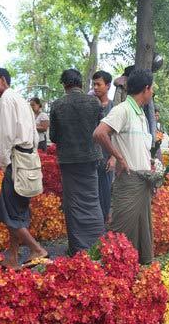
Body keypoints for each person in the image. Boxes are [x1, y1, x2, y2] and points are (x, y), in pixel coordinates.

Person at [0, 68, 47, 269]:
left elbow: (6, 136)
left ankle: (36, 249)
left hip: (16, 162)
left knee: (9, 212)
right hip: (29, 160)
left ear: (2, 80)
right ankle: (12, 257)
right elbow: (35, 137)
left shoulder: (6, 100)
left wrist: (4, 162)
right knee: (18, 211)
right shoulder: (21, 100)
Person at [93, 69, 154, 264]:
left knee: (140, 229)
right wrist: (118, 156)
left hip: (142, 180)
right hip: (129, 180)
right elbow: (99, 133)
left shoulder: (141, 114)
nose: (152, 92)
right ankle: (109, 269)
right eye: (151, 89)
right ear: (146, 89)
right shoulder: (123, 110)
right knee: (120, 230)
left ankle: (133, 269)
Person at [50, 69, 104, 255]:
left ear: (64, 84)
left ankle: (78, 248)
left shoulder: (57, 105)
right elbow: (100, 131)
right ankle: (96, 246)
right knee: (91, 200)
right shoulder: (94, 103)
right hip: (90, 159)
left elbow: (53, 136)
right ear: (81, 84)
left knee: (73, 203)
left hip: (69, 161)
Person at [92, 70, 114, 223]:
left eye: (98, 84)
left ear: (108, 86)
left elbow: (116, 135)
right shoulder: (90, 104)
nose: (95, 87)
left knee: (105, 191)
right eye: (94, 84)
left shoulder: (114, 108)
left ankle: (104, 223)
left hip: (107, 155)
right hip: (91, 155)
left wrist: (113, 156)